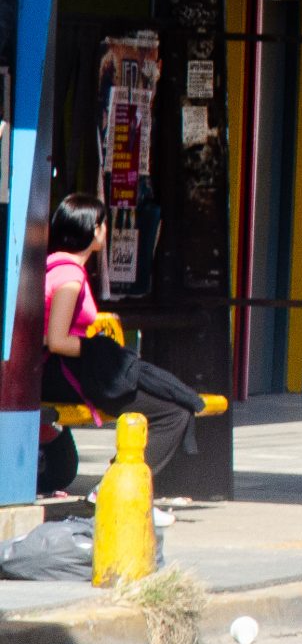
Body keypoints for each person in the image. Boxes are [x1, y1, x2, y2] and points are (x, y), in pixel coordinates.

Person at [41, 194, 206, 481]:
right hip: (64, 371)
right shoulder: (70, 277)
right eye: (104, 224)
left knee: (161, 394)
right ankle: (114, 490)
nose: (106, 231)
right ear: (94, 229)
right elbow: (56, 340)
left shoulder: (49, 266)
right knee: (173, 413)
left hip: (53, 370)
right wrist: (97, 349)